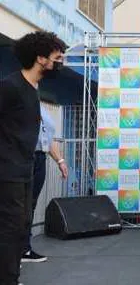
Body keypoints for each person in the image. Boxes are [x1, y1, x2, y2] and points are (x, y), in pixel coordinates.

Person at [0, 31, 66, 285]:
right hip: (7, 172)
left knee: (20, 227)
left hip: (24, 169)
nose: (60, 63)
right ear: (41, 58)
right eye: (57, 58)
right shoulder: (10, 86)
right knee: (9, 229)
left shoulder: (32, 89)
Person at [22, 105, 68, 263]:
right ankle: (10, 253)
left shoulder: (42, 108)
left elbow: (48, 137)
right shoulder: (15, 100)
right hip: (21, 157)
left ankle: (24, 249)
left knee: (30, 205)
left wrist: (60, 161)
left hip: (40, 158)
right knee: (16, 205)